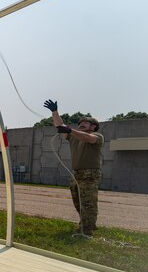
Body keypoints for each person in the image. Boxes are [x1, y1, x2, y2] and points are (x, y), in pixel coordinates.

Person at [44, 99, 104, 236]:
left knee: (88, 203)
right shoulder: (74, 136)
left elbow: (88, 138)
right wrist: (54, 112)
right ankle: (85, 224)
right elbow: (60, 125)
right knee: (78, 201)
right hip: (76, 174)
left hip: (90, 174)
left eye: (85, 123)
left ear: (94, 127)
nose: (81, 124)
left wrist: (70, 130)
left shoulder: (97, 136)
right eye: (80, 123)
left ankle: (87, 230)